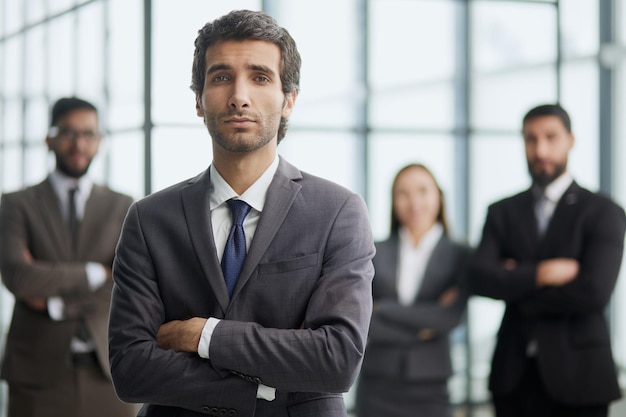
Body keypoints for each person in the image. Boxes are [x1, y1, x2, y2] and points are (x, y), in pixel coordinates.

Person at [107, 9, 375, 417]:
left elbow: (337, 359)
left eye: (260, 77)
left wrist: (202, 335)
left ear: (289, 100)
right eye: (220, 77)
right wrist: (270, 380)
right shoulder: (149, 220)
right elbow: (131, 369)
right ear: (198, 100)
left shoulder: (338, 212)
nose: (239, 96)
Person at [469, 103, 626, 417]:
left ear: (570, 140)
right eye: (531, 139)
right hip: (513, 377)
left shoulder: (603, 211)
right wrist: (541, 274)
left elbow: (593, 292)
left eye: (551, 137)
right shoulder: (502, 211)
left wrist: (515, 285)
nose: (540, 149)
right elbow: (479, 277)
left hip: (581, 377)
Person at [0, 97, 137, 417]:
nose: (79, 143)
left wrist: (52, 302)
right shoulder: (16, 204)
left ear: (100, 142)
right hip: (37, 375)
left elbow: (128, 284)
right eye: (68, 133)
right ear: (49, 139)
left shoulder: (124, 206)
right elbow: (19, 277)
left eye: (89, 134)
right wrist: (95, 273)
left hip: (108, 372)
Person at [355, 163, 471, 417]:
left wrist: (384, 309)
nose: (414, 202)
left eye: (422, 191)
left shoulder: (460, 255)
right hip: (377, 383)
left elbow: (449, 317)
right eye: (403, 193)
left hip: (431, 387)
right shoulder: (372, 251)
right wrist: (422, 328)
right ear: (393, 202)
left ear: (438, 196)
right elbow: (363, 320)